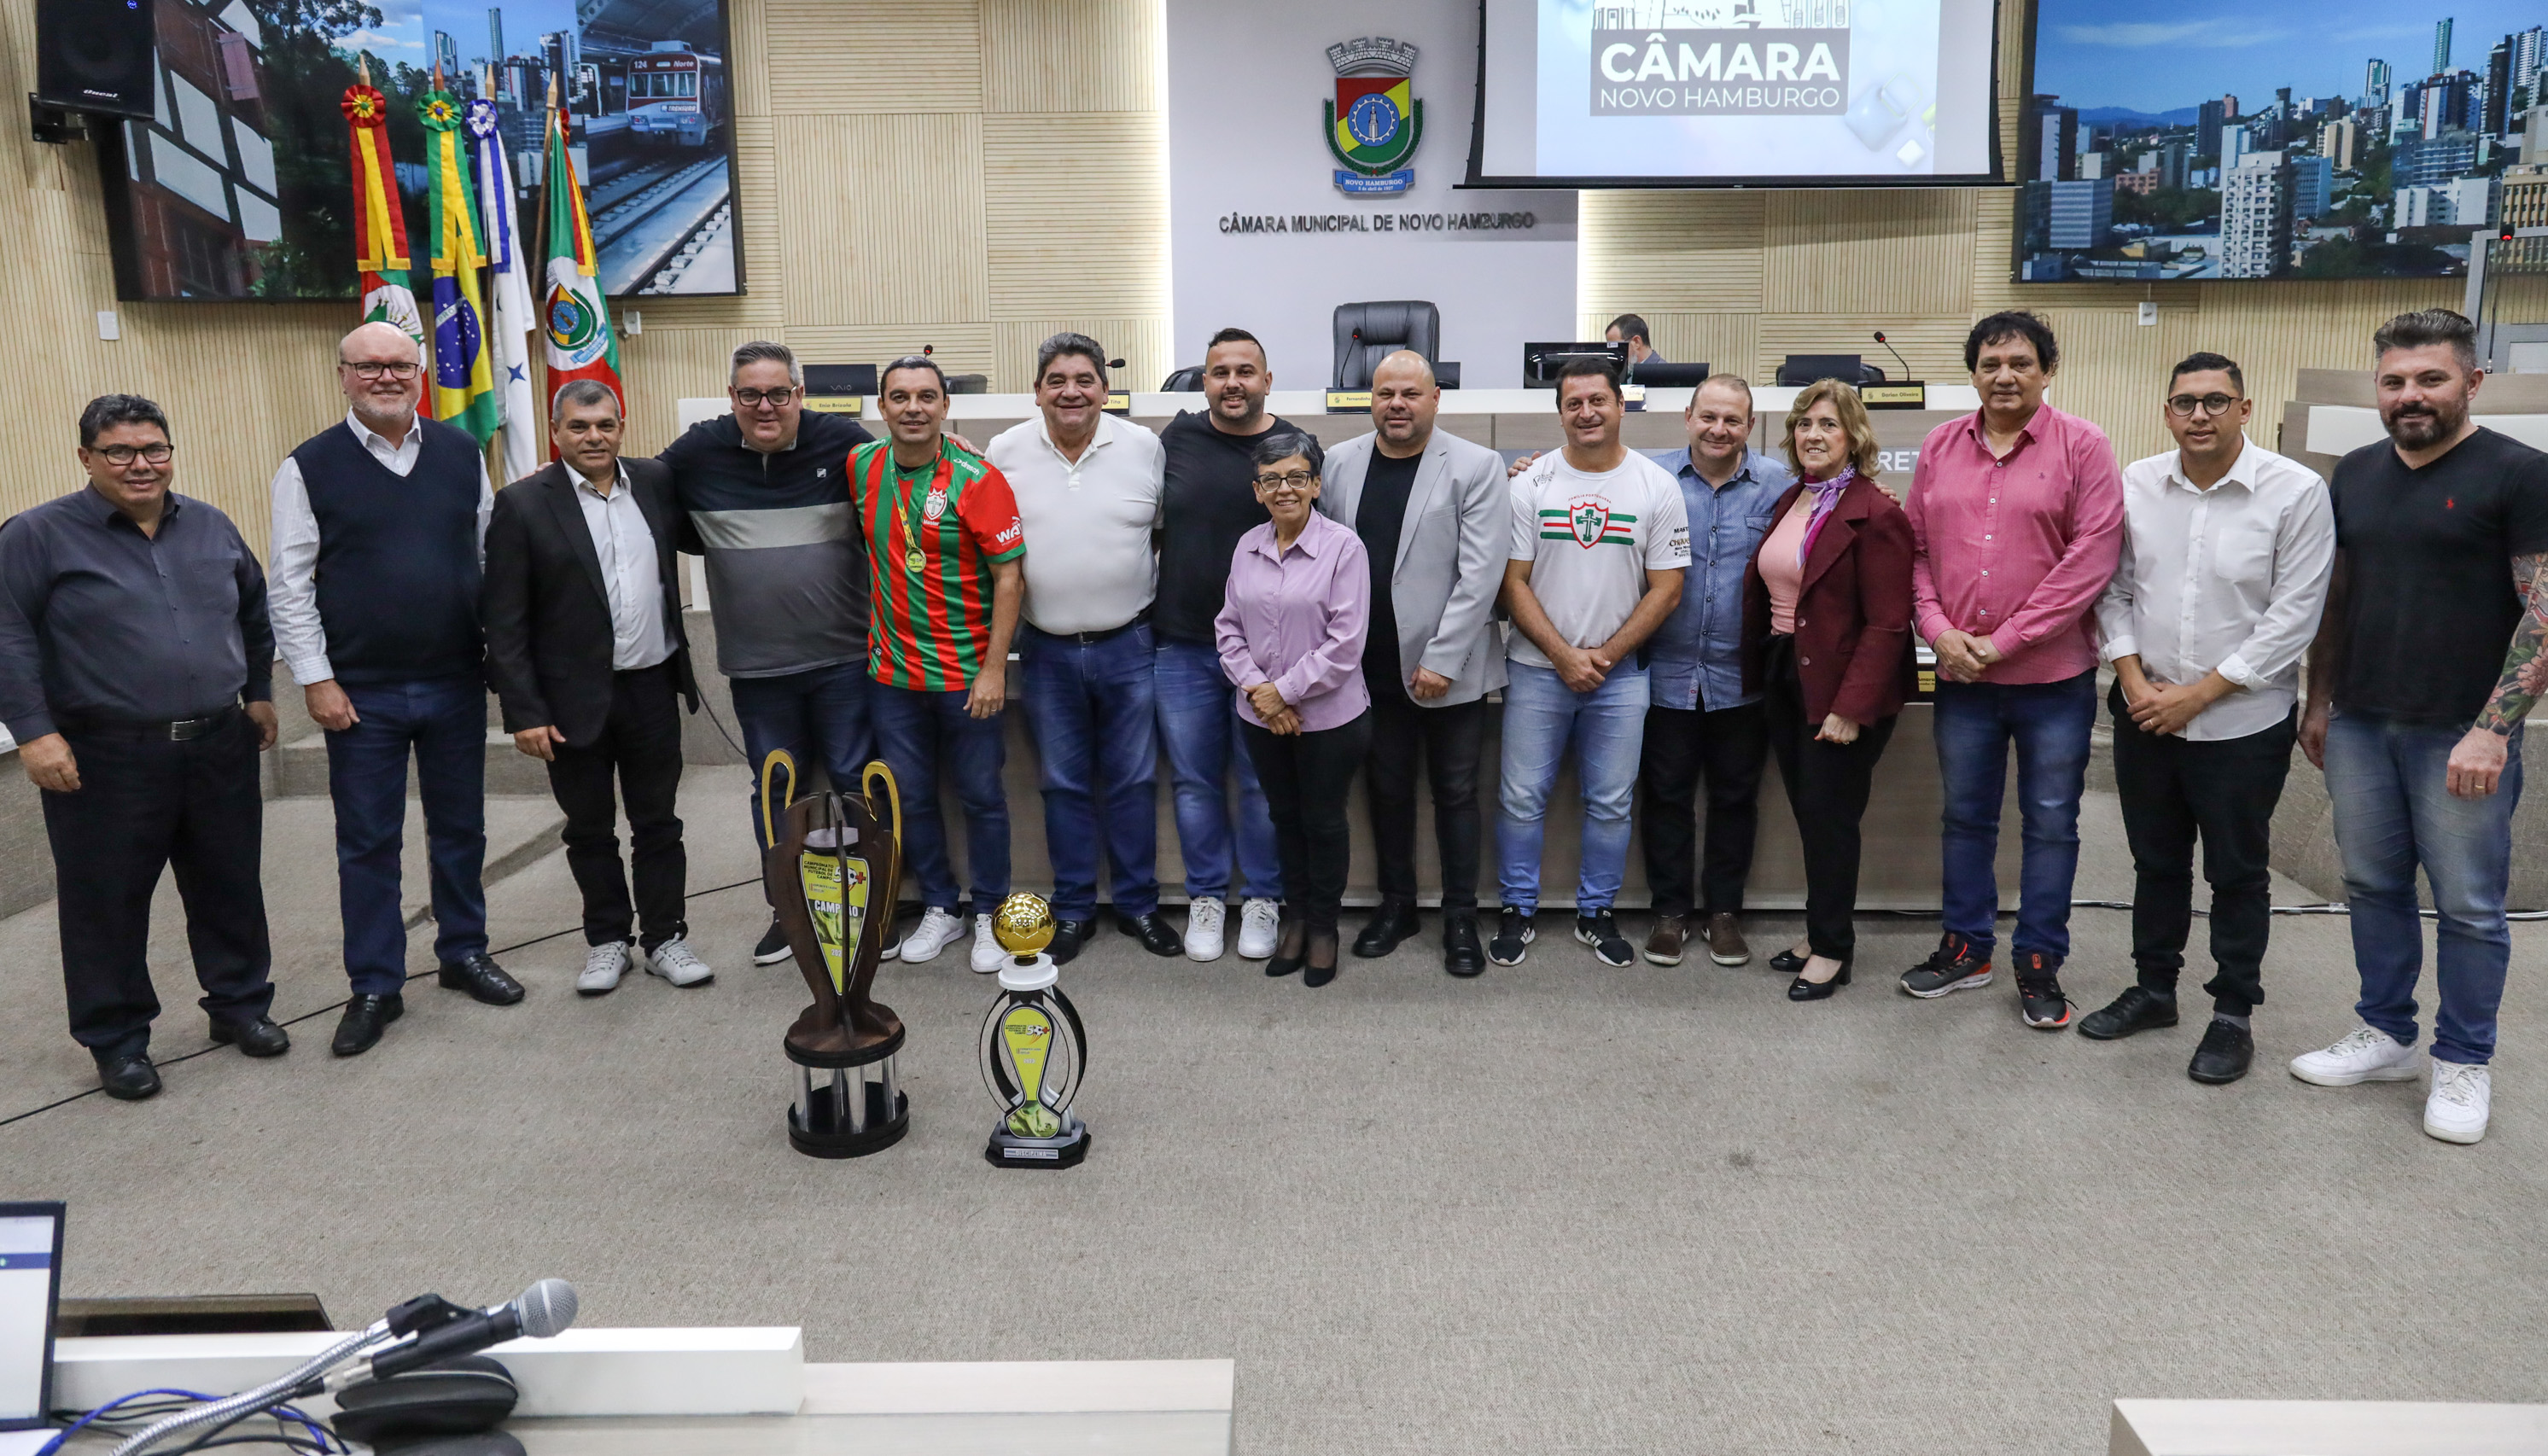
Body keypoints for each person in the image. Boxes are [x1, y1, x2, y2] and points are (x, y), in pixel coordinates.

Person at [2291, 307, 2548, 1144]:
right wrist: (2319, 699)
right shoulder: (2356, 472)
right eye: (2395, 379)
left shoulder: (2519, 473)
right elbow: (2337, 599)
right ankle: (2389, 1032)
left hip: (2461, 730)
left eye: (2431, 378)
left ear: (2472, 382)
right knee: (2371, 884)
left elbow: (2542, 613)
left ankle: (2464, 1057)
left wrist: (2495, 727)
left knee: (2471, 905)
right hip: (2362, 719)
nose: (2411, 394)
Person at [0, 396, 284, 1099]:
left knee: (229, 886)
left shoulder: (211, 525)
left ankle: (240, 1007)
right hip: (104, 756)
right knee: (106, 904)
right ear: (86, 458)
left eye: (154, 448)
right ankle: (118, 1041)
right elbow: (6, 637)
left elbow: (253, 609)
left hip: (219, 743)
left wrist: (257, 691)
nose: (140, 464)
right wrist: (34, 733)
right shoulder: (36, 536)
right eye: (120, 451)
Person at [271, 323, 517, 1058]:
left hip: (452, 681)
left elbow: (485, 552)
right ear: (343, 375)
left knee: (461, 829)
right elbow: (288, 586)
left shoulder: (460, 452)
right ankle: (376, 983)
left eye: (400, 366)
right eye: (369, 367)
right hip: (361, 695)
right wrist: (314, 679)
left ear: (420, 374)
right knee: (368, 845)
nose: (386, 377)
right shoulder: (306, 467)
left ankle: (462, 952)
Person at [2087, 353, 2333, 1084]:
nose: (2199, 415)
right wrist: (2132, 679)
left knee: (2236, 872)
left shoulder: (2295, 492)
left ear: (2244, 410)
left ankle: (2231, 1014)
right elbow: (2113, 590)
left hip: (2240, 722)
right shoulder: (2136, 483)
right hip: (2142, 711)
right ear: (2166, 412)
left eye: (2215, 402)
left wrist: (2195, 696)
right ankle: (2153, 989)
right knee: (2155, 863)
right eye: (2185, 403)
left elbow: (2294, 618)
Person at [1900, 310, 2124, 1030]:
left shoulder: (2083, 447)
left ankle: (2037, 961)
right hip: (1961, 678)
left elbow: (2090, 558)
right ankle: (1966, 947)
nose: (2004, 376)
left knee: (2051, 822)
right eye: (1991, 363)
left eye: (2020, 363)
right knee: (1964, 817)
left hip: (2052, 680)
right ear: (1973, 372)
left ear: (2046, 370)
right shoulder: (1939, 446)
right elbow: (1915, 554)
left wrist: (2004, 641)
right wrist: (1938, 631)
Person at [482, 379, 712, 997]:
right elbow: (504, 621)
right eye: (580, 427)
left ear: (621, 427)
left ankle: (666, 938)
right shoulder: (524, 503)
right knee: (589, 829)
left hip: (650, 690)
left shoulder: (656, 484)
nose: (594, 437)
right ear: (557, 432)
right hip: (566, 704)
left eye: (605, 425)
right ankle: (607, 940)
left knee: (658, 823)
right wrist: (522, 711)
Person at [658, 341, 874, 970]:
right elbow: (637, 484)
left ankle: (861, 909)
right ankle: (789, 913)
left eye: (779, 392)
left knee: (855, 783)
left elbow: (906, 476)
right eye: (750, 394)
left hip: (843, 659)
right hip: (758, 668)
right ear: (732, 398)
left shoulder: (843, 442)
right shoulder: (700, 451)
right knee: (777, 791)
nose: (765, 406)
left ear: (799, 394)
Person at [988, 333, 1182, 964]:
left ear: (1104, 388)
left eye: (1084, 379)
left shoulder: (1142, 447)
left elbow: (1159, 536)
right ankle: (1072, 907)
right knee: (1063, 784)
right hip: (1045, 650)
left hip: (1128, 642)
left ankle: (1138, 905)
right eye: (1056, 380)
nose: (1070, 391)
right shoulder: (1005, 451)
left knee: (1131, 781)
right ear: (1037, 390)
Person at [1493, 358, 1690, 968]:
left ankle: (1595, 911)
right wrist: (1561, 656)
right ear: (1559, 412)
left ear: (1619, 406)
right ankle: (1516, 909)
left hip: (1619, 677)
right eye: (1573, 403)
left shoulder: (1655, 485)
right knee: (1520, 797)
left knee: (1610, 801)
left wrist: (1600, 658)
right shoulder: (1528, 484)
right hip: (1534, 670)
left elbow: (1667, 588)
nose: (1586, 413)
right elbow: (1511, 582)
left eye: (1596, 401)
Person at [1315, 351, 1507, 976]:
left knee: (1455, 794)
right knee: (1386, 790)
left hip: (1446, 669)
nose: (1396, 404)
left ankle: (1459, 919)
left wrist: (1442, 659)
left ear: (1435, 400)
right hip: (1365, 667)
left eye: (1410, 394)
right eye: (1384, 393)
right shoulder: (1340, 464)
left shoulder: (1474, 466)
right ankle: (1396, 906)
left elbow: (1481, 575)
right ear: (1369, 399)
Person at [1743, 381, 1915, 1001]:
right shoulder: (1795, 497)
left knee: (1831, 819)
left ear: (1854, 438)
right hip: (1785, 668)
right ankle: (1819, 932)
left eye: (1829, 426)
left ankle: (1833, 950)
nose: (1813, 435)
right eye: (1804, 424)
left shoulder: (1877, 513)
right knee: (1810, 815)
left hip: (1840, 686)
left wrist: (1849, 709)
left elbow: (1889, 623)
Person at [855, 356, 1027, 973]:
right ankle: (939, 908)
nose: (913, 408)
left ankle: (987, 911)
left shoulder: (977, 477)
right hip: (892, 677)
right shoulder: (861, 466)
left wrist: (994, 669)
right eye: (899, 397)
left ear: (945, 406)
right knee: (910, 797)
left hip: (965, 676)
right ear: (881, 407)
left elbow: (1009, 577)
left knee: (981, 796)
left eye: (926, 396)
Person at [1636, 375, 1790, 968]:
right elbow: (1579, 471)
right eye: (1708, 417)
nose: (1718, 430)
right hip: (1665, 672)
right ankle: (1670, 913)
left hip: (1742, 678)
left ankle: (1723, 913)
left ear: (1749, 426)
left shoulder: (1781, 485)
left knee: (1734, 798)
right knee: (1667, 798)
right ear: (1687, 417)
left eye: (1732, 420)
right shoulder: (1649, 476)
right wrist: (1526, 469)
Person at [1216, 432, 1371, 987]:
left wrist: (1283, 692)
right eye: (1272, 479)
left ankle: (1324, 928)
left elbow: (1345, 642)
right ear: (1258, 490)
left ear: (1316, 484)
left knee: (1323, 822)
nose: (1285, 488)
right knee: (1284, 818)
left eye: (1296, 477)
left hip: (1329, 719)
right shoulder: (1247, 546)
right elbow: (1227, 628)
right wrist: (1261, 691)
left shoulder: (1343, 548)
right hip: (1261, 717)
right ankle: (1297, 919)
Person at [1157, 328, 1291, 963]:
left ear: (1266, 380)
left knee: (1261, 782)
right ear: (1202, 381)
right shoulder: (1175, 439)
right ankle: (1207, 897)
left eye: (1245, 371)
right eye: (1218, 372)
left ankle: (1262, 897)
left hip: (1265, 654)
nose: (1231, 382)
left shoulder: (1292, 447)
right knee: (1194, 782)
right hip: (1182, 644)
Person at [1605, 314, 1666, 380]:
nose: (1614, 354)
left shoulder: (1665, 374)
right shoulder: (1626, 373)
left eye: (1618, 347)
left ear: (1636, 342)